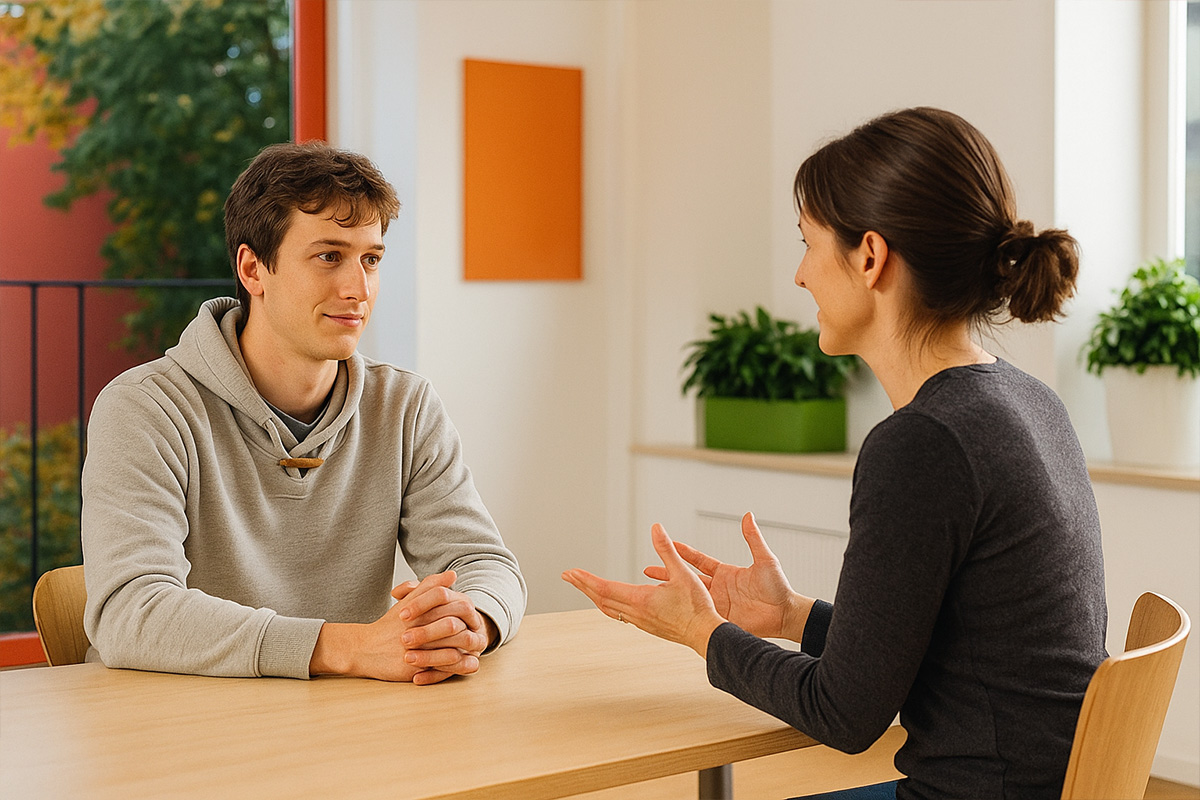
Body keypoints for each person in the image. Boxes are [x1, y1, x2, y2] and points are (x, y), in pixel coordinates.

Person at [563, 107, 1107, 800]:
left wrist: (702, 633)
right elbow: (970, 654)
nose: (799, 275)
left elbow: (844, 713)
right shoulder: (1029, 402)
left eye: (808, 243)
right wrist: (793, 614)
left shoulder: (924, 443)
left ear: (870, 257)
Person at [82, 142, 526, 683]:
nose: (358, 289)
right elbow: (131, 611)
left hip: (343, 721)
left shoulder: (405, 407)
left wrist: (470, 620)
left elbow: (485, 565)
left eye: (371, 259)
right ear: (253, 269)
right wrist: (346, 647)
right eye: (328, 256)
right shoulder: (145, 408)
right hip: (178, 729)